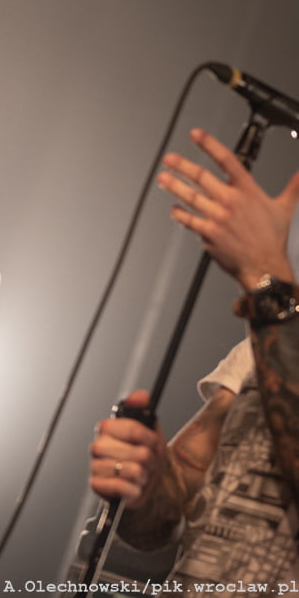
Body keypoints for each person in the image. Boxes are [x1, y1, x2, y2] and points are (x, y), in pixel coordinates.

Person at [89, 128, 299, 595]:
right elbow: (172, 506)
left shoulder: (277, 319)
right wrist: (144, 485)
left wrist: (267, 285)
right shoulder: (269, 343)